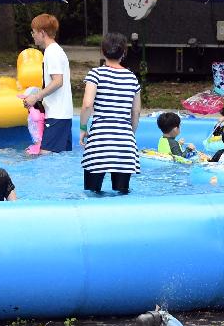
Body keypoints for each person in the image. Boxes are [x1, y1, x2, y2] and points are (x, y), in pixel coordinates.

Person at [80, 32, 142, 194]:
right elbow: (136, 112)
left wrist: (82, 127)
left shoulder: (96, 74)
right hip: (125, 144)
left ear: (102, 51)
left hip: (99, 141)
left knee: (91, 194)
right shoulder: (131, 78)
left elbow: (87, 105)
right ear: (124, 52)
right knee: (122, 195)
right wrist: (130, 133)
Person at [24, 14, 74, 153]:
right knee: (60, 157)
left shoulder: (52, 52)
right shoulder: (55, 50)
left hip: (57, 114)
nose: (32, 35)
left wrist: (36, 97)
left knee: (45, 155)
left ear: (42, 33)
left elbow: (58, 81)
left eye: (33, 32)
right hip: (62, 113)